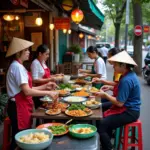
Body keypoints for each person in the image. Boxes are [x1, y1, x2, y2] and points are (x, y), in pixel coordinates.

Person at [6, 37, 58, 150]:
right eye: (26, 50)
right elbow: (27, 91)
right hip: (18, 107)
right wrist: (48, 93)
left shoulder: (18, 66)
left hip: (21, 105)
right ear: (18, 52)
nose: (29, 52)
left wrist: (46, 86)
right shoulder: (17, 67)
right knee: (20, 140)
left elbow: (28, 88)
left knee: (24, 138)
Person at [94, 51, 141, 150]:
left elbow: (119, 103)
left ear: (123, 65)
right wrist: (110, 88)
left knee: (102, 124)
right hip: (129, 108)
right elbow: (121, 89)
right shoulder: (127, 75)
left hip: (130, 111)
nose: (113, 67)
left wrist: (105, 95)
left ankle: (108, 147)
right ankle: (107, 138)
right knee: (102, 113)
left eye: (115, 65)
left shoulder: (127, 79)